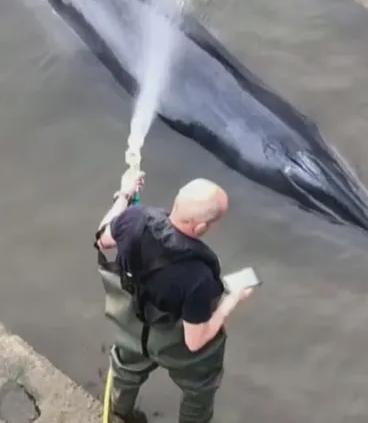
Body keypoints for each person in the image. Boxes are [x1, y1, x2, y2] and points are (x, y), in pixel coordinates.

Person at [93, 171, 253, 423]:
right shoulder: (199, 277)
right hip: (173, 341)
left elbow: (102, 240)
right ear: (200, 226)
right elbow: (194, 341)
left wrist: (124, 194)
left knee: (126, 369)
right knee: (199, 387)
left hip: (130, 321)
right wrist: (231, 301)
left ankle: (120, 411)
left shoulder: (133, 218)